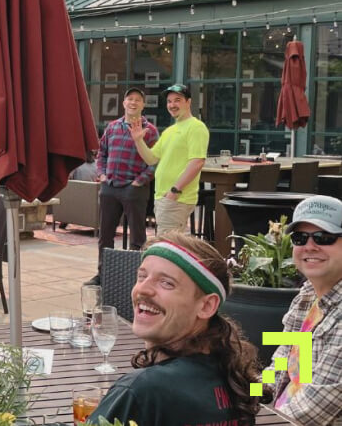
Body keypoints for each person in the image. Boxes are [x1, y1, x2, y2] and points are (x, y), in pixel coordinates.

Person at [88, 232, 267, 426]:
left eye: (167, 283)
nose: (143, 289)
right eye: (142, 276)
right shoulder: (238, 381)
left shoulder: (139, 391)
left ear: (207, 306)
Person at [269, 195, 342, 425]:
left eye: (324, 237)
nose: (310, 246)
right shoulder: (307, 295)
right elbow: (284, 362)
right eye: (300, 238)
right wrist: (248, 393)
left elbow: (313, 410)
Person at [84, 88, 159, 285]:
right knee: (105, 236)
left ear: (143, 105)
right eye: (130, 99)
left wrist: (139, 181)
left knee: (138, 238)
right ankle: (103, 275)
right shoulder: (112, 127)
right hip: (110, 187)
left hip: (134, 189)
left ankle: (136, 279)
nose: (133, 102)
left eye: (138, 100)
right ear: (124, 103)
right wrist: (101, 175)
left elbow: (155, 162)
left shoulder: (149, 131)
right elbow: (102, 153)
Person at [129, 84, 208, 236]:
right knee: (169, 245)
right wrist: (138, 140)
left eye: (177, 100)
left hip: (176, 198)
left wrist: (175, 190)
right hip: (164, 198)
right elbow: (151, 159)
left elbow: (197, 162)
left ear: (188, 102)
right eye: (169, 101)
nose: (172, 105)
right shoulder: (170, 131)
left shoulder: (196, 127)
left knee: (167, 246)